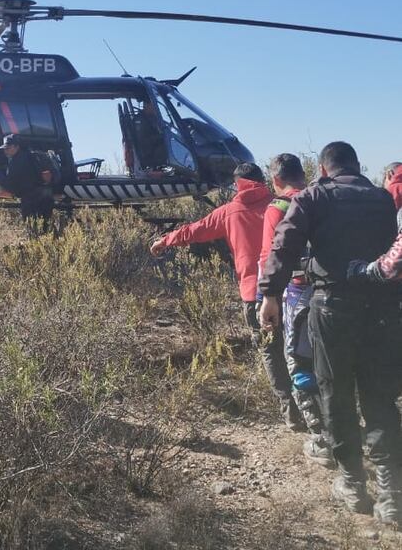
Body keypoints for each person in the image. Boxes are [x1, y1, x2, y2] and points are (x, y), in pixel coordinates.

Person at [259, 141, 401, 523]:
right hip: (382, 310)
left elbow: (284, 244)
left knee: (335, 393)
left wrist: (270, 294)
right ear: (357, 166)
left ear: (323, 169)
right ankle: (390, 494)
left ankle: (353, 484)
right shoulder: (382, 199)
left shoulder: (313, 197)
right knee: (380, 397)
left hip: (333, 308)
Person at [151, 163, 301, 429]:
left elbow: (194, 230)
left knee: (271, 352)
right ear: (263, 180)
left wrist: (166, 240)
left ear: (237, 184)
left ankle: (291, 412)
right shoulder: (283, 204)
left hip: (254, 295)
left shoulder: (229, 212)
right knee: (300, 349)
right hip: (292, 289)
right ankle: (312, 407)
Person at [258, 154, 333, 467]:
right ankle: (339, 426)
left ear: (275, 179)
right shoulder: (322, 199)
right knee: (330, 363)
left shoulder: (278, 208)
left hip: (297, 296)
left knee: (299, 362)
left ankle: (321, 437)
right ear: (303, 174)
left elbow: (270, 256)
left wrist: (268, 297)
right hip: (334, 292)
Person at [0, 134, 54, 229]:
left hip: (30, 198)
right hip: (46, 195)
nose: (5, 151)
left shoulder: (15, 162)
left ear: (17, 147)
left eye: (8, 148)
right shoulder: (33, 155)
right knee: (45, 226)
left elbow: (11, 185)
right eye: (4, 149)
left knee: (31, 226)